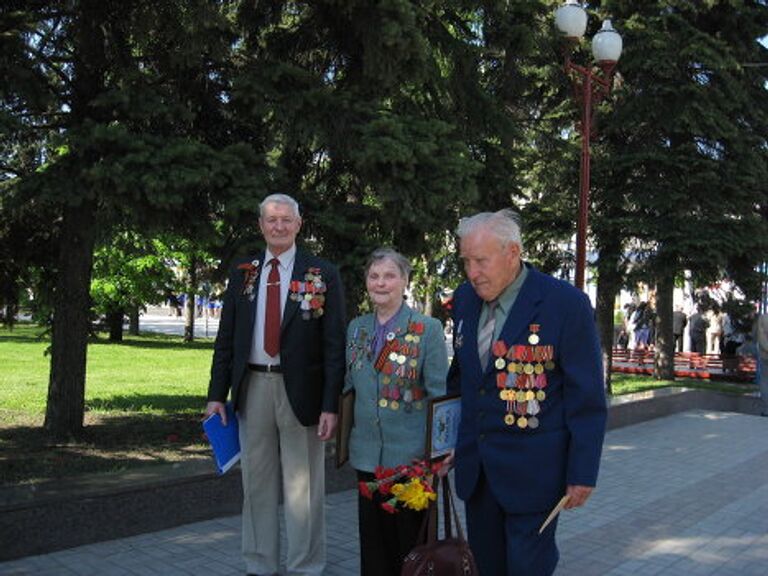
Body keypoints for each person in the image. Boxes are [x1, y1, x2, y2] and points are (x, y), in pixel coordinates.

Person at [444, 209, 606, 576]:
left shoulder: (564, 304)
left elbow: (588, 398)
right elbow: (464, 379)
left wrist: (583, 471)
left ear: (512, 253)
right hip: (478, 471)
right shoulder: (466, 300)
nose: (472, 272)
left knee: (527, 567)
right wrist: (441, 440)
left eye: (481, 261)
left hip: (534, 473)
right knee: (487, 567)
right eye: (466, 261)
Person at [205, 193, 346, 576]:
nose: (279, 226)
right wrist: (217, 395)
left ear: (299, 224)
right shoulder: (244, 272)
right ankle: (259, 563)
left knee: (305, 488)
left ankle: (306, 565)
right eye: (271, 220)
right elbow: (227, 338)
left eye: (286, 220)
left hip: (302, 394)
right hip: (252, 388)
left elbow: (335, 344)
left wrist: (331, 404)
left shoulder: (321, 273)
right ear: (261, 225)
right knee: (257, 483)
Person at [344, 248, 448, 576]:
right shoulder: (357, 328)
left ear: (404, 281)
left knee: (411, 551)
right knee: (373, 548)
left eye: (389, 276)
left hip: (411, 461)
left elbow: (438, 393)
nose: (381, 283)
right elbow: (350, 385)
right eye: (374, 276)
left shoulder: (426, 329)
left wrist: (439, 453)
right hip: (367, 455)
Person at [756, 313, 768, 417]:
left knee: (765, 381)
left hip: (765, 355)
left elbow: (761, 337)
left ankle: (766, 410)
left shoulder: (763, 318)